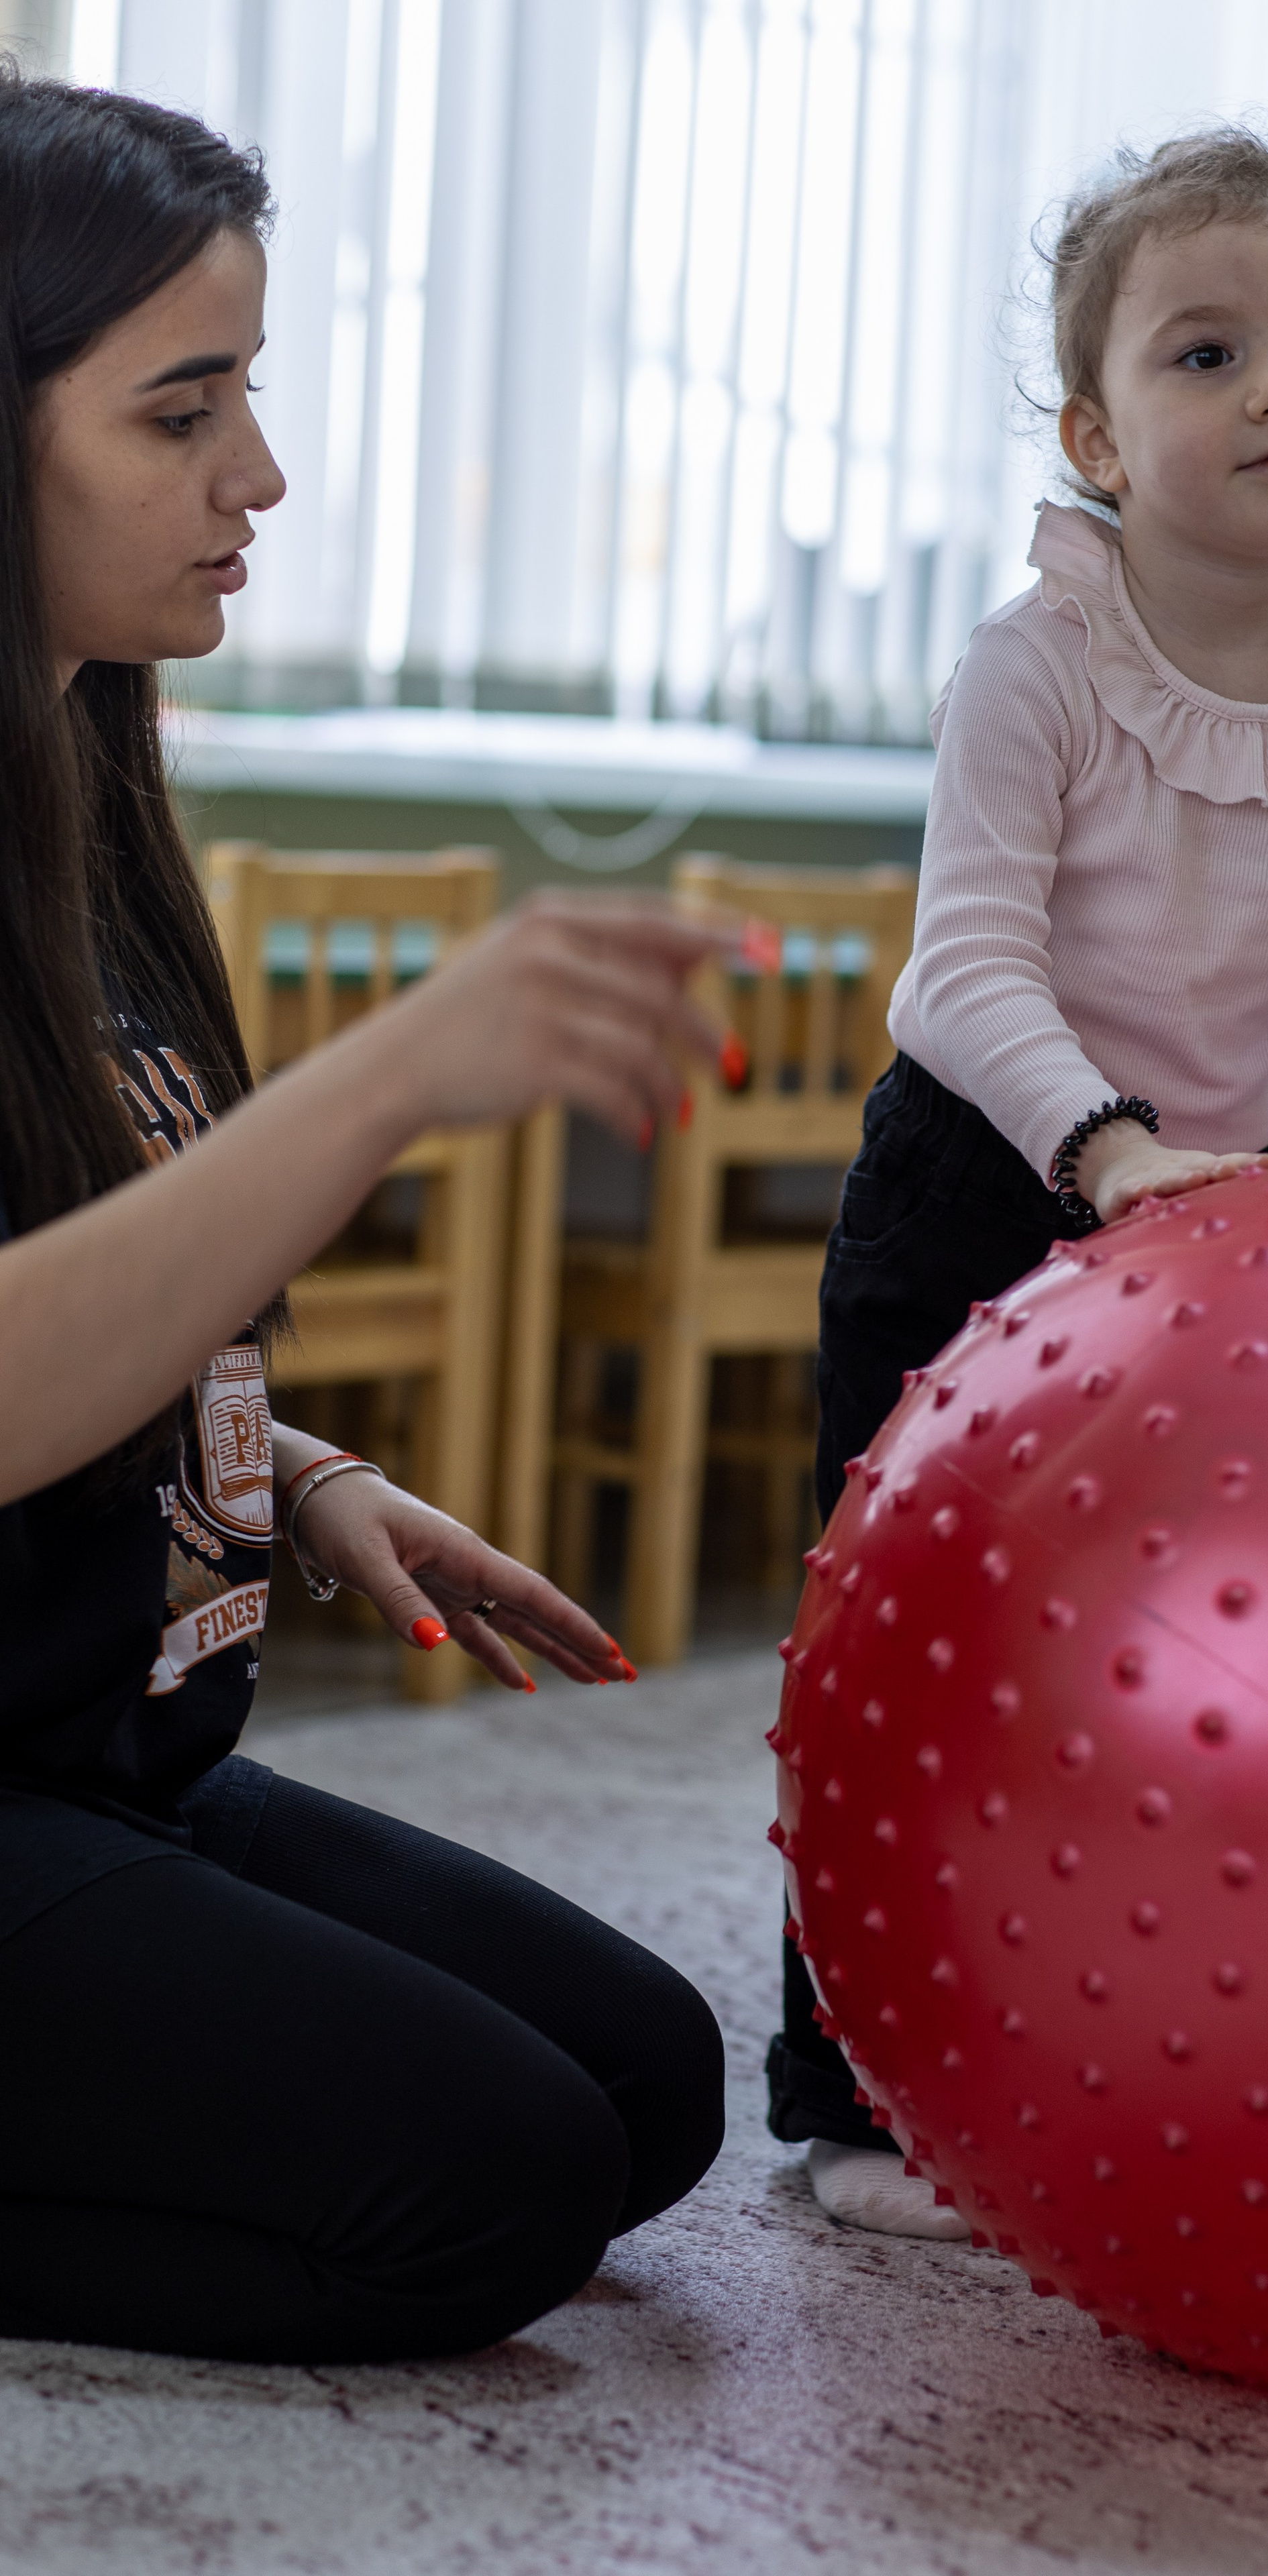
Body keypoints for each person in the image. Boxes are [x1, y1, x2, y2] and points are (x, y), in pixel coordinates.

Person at [0, 68, 731, 2361]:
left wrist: (301, 1480)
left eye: (256, 397)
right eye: (181, 412)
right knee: (484, 2195)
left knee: (647, 2084)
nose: (261, 481)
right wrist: (399, 1074)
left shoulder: (92, 787)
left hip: (102, 1753)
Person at [769, 130, 1268, 2237]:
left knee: (1163, 1653)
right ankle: (850, 2103)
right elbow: (960, 959)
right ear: (1097, 429)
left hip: (1223, 1223)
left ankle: (1127, 2030)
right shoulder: (1038, 659)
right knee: (913, 1651)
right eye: (1210, 351)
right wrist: (1104, 1153)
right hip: (992, 1180)